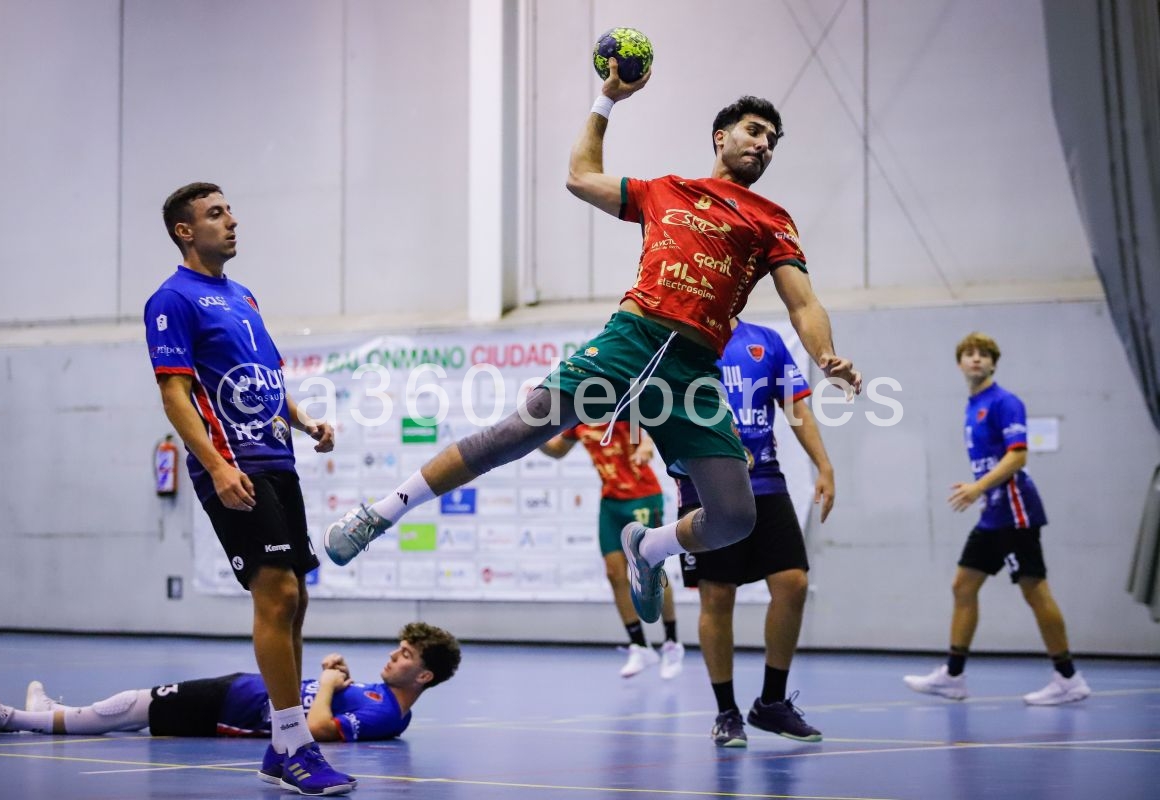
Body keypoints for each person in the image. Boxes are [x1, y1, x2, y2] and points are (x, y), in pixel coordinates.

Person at [324, 61, 861, 630]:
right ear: (720, 137)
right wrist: (607, 99)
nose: (764, 145)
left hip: (693, 370)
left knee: (733, 517)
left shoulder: (772, 219)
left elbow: (803, 303)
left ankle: (648, 548)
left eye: (773, 141)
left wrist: (825, 356)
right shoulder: (665, 191)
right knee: (511, 435)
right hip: (633, 339)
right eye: (755, 131)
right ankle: (379, 515)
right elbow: (580, 176)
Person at [142, 182, 351, 795]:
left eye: (229, 210)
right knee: (277, 593)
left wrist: (305, 421)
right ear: (185, 230)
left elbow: (264, 378)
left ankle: (280, 744)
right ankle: (296, 744)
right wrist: (216, 464)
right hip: (232, 465)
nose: (231, 221)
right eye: (214, 214)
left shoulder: (244, 297)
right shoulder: (171, 300)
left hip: (277, 461)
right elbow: (175, 394)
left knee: (296, 599)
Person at [0, 623, 460, 784]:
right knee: (138, 711)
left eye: (406, 654)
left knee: (130, 706)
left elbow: (317, 727)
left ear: (424, 675)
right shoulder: (382, 700)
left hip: (233, 708)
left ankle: (12, 720)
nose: (395, 654)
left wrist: (328, 681)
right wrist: (337, 677)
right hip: (240, 690)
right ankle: (47, 715)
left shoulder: (384, 714)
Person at [903, 332, 1091, 705]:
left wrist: (977, 488)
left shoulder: (1006, 402)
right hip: (993, 513)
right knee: (963, 585)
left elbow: (1017, 456)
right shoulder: (973, 406)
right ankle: (953, 676)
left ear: (993, 363)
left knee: (1035, 590)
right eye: (969, 354)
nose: (975, 359)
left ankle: (1068, 678)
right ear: (960, 364)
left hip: (1016, 511)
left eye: (983, 354)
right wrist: (980, 492)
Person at [676, 319, 833, 747]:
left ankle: (772, 703)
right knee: (718, 593)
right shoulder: (679, 337)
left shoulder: (766, 340)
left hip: (765, 478)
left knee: (793, 582)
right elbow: (660, 408)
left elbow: (797, 406)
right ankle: (726, 712)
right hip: (704, 484)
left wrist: (823, 465)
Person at [538, 423, 684, 678]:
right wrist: (533, 434)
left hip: (643, 497)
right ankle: (639, 646)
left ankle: (672, 644)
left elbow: (651, 426)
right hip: (610, 504)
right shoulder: (578, 419)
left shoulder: (622, 403)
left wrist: (648, 444)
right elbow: (557, 450)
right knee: (614, 573)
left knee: (649, 570)